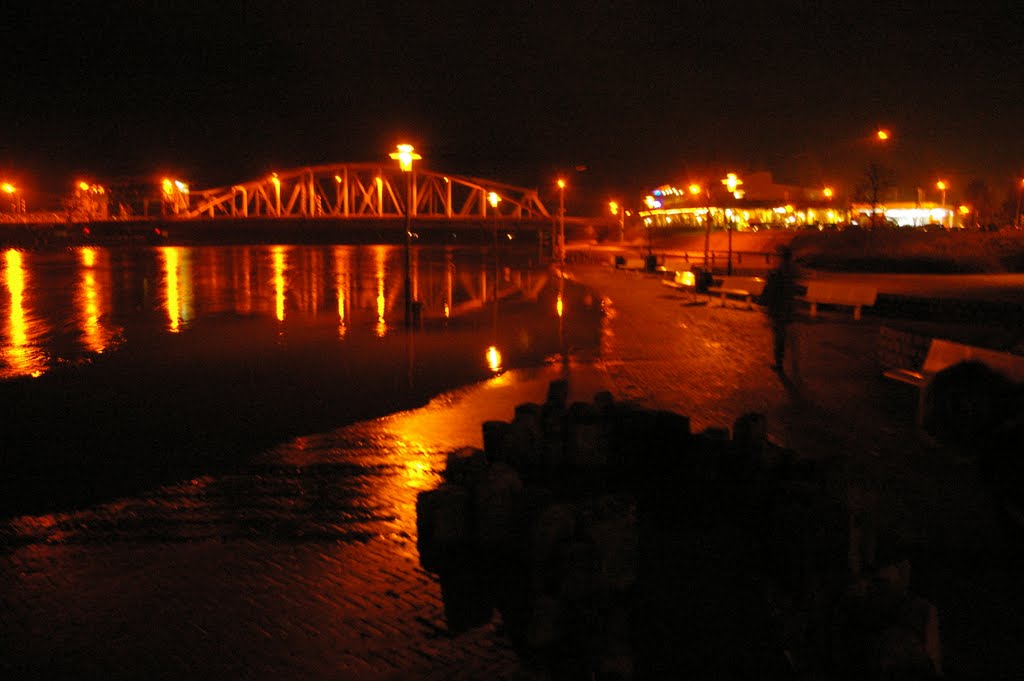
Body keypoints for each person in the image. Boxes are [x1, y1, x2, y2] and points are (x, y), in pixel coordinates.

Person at [761, 245, 798, 372]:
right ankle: (781, 360)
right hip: (786, 308)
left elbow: (772, 291)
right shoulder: (790, 271)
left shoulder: (778, 273)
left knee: (779, 336)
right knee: (781, 335)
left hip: (779, 309)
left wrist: (765, 305)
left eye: (776, 256)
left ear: (781, 258)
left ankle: (779, 362)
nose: (773, 259)